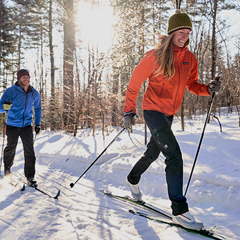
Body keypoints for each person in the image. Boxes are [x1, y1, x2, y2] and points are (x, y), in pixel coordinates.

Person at [123, 10, 221, 231]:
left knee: (152, 153)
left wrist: (208, 89)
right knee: (174, 156)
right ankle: (180, 210)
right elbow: (134, 83)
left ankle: (132, 178)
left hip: (169, 114)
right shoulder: (154, 56)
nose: (185, 36)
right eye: (181, 31)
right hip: (152, 110)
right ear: (171, 32)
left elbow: (193, 85)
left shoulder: (190, 58)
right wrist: (128, 111)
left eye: (188, 32)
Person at [0, 69, 42, 186]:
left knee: (29, 151)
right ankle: (7, 171)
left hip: (26, 126)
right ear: (18, 79)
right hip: (12, 125)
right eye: (23, 77)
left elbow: (38, 108)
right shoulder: (10, 91)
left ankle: (30, 176)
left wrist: (37, 123)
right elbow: (0, 108)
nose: (26, 79)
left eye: (27, 77)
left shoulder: (34, 93)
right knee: (10, 149)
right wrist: (5, 107)